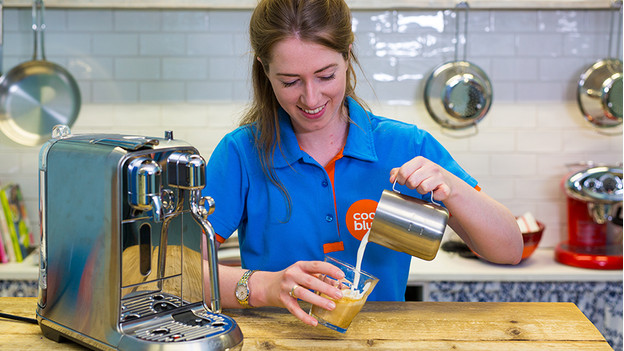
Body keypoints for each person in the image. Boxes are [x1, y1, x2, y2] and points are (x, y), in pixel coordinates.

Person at [202, 0, 523, 327]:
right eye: (290, 81)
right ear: (264, 67)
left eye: (326, 75)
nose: (311, 99)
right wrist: (262, 287)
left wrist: (453, 189)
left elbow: (509, 250)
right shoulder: (241, 153)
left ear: (348, 54)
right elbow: (174, 269)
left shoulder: (404, 146)